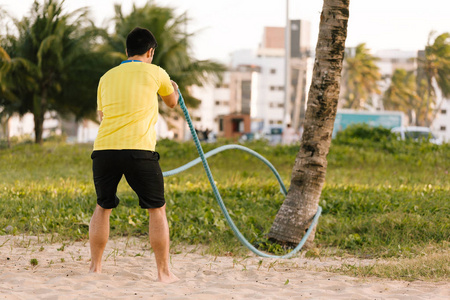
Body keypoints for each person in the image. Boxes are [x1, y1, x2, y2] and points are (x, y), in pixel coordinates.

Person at [89, 27, 179, 283]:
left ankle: (95, 268)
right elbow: (172, 102)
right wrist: (174, 89)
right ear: (150, 52)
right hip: (139, 151)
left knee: (102, 206)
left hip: (104, 149)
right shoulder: (157, 72)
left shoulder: (106, 77)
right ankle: (164, 273)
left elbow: (102, 117)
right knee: (157, 210)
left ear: (126, 52)